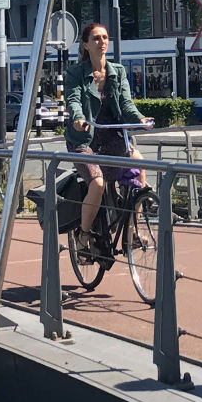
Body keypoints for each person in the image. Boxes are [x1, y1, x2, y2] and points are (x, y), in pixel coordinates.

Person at [65, 22, 151, 259]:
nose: (101, 42)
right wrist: (78, 118)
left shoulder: (117, 72)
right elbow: (73, 100)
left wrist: (140, 118)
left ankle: (132, 231)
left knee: (140, 165)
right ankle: (83, 236)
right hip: (85, 140)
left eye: (104, 37)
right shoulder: (75, 73)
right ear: (85, 44)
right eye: (95, 38)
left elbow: (126, 104)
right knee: (98, 183)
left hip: (112, 137)